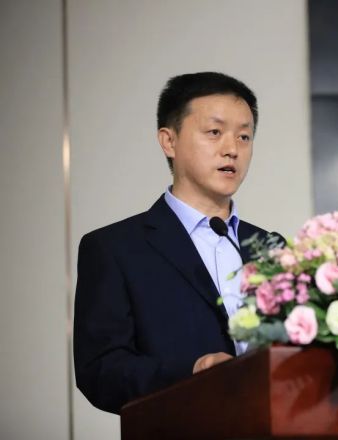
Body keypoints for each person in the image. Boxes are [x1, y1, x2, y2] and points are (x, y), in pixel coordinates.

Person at [74, 72, 282, 414]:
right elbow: (101, 370)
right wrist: (192, 373)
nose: (232, 149)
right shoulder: (115, 249)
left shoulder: (271, 247)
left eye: (244, 136)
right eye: (214, 132)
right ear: (169, 141)